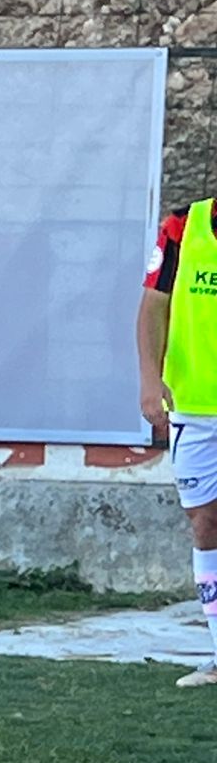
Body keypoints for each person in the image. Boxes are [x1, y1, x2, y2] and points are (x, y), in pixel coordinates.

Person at [139, 196, 217, 687]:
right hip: (193, 405)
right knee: (205, 523)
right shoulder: (182, 227)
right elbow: (153, 308)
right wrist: (150, 380)